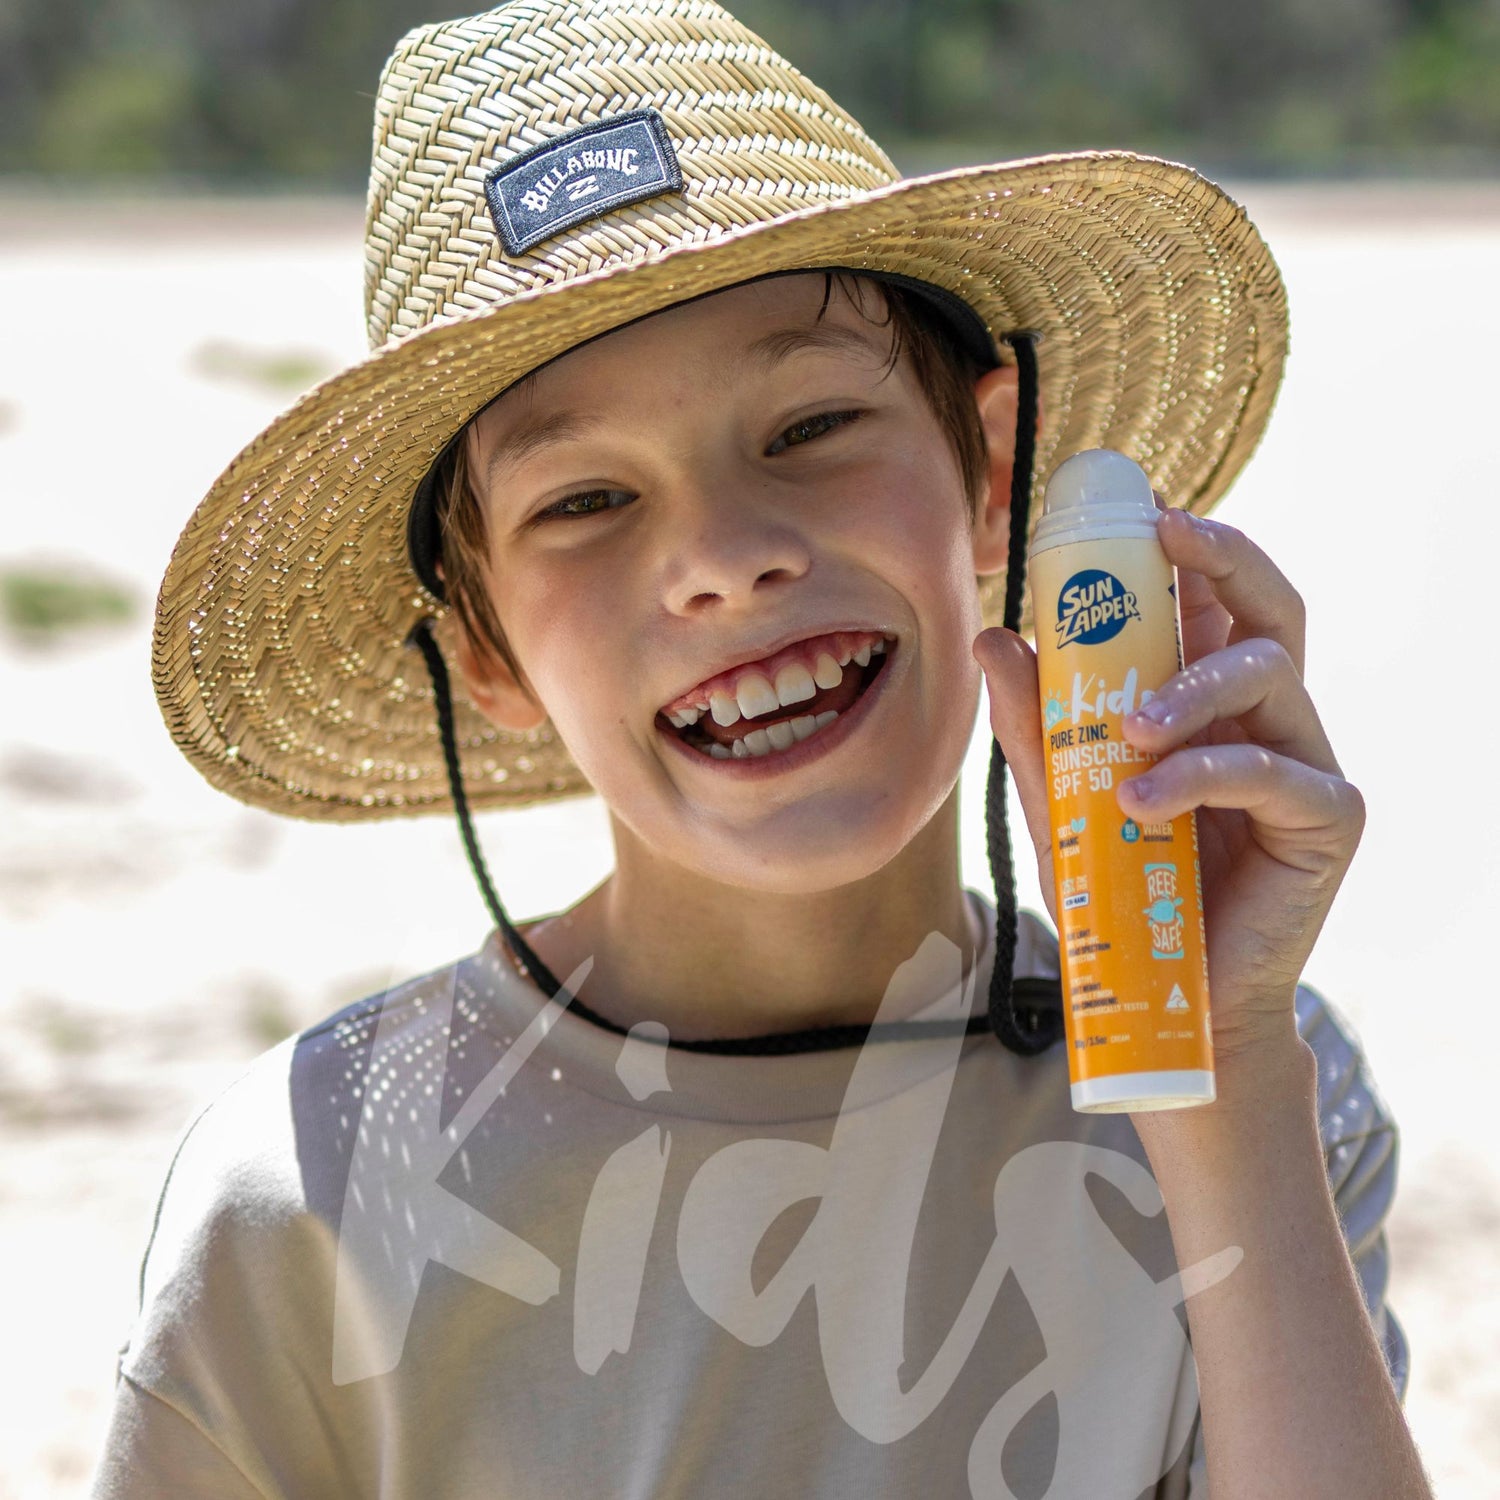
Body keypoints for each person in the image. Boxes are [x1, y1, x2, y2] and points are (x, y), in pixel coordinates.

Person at [90, 1, 1430, 1495]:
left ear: (993, 479)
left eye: (809, 429)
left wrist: (1215, 1059)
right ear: (480, 650)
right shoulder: (313, 1199)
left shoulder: (1259, 1087)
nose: (726, 558)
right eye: (584, 502)